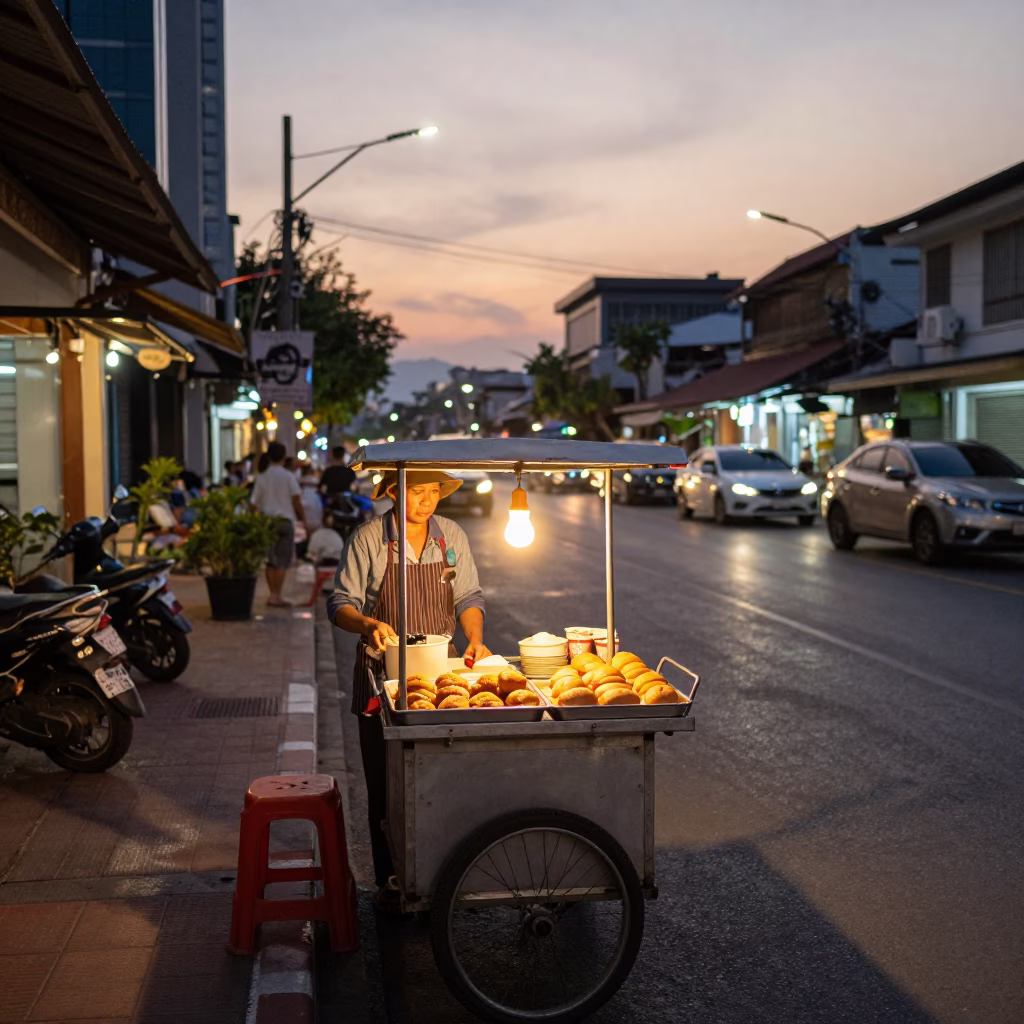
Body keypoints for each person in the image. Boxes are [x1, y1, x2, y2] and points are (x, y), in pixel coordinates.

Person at [327, 470, 489, 911]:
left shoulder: (450, 535)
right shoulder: (369, 539)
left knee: (442, 778)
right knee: (387, 786)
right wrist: (369, 625)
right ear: (395, 493)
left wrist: (474, 637)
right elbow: (340, 603)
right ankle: (392, 878)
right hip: (382, 674)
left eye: (433, 491)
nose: (426, 500)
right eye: (417, 491)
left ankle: (442, 874)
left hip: (440, 679)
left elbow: (468, 596)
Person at [250, 441, 308, 607]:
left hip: (267, 522)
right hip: (285, 521)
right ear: (284, 456)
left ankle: (272, 594)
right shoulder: (288, 476)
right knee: (282, 559)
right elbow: (296, 500)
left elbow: (254, 503)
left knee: (271, 559)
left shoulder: (261, 477)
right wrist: (303, 519)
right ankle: (277, 595)